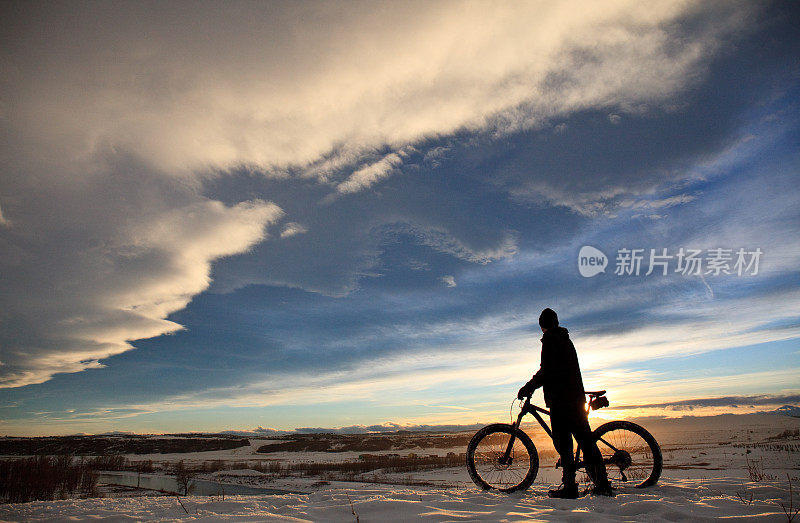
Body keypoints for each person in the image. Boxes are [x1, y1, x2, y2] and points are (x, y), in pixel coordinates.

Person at [517, 308, 613, 498]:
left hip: (562, 401)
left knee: (565, 444)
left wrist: (528, 387)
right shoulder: (564, 338)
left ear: (542, 326)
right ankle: (601, 483)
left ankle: (570, 488)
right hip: (573, 398)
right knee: (585, 442)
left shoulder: (551, 340)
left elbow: (546, 371)